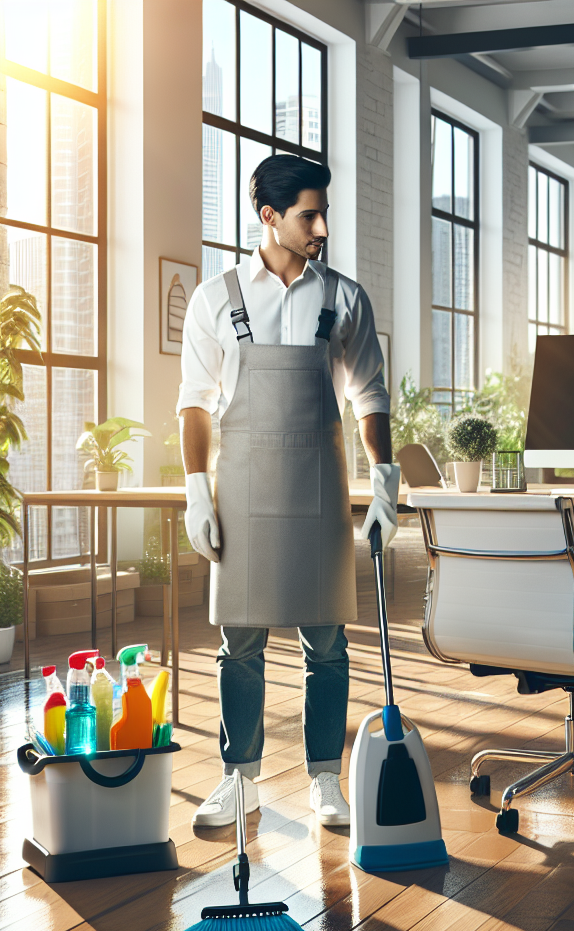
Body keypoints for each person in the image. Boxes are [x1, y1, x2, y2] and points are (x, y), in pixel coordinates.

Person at [178, 154, 399, 829]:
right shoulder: (216, 299)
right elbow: (194, 402)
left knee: (326, 644)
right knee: (238, 645)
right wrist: (196, 491)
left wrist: (384, 485)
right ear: (269, 217)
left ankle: (325, 779)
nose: (322, 227)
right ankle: (238, 777)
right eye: (309, 214)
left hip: (319, 491)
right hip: (240, 491)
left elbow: (369, 398)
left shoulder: (345, 299)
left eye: (323, 213)